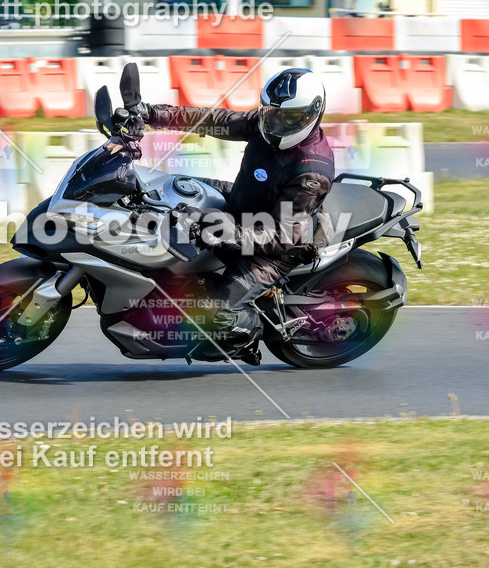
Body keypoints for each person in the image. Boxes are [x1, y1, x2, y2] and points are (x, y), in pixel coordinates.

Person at [115, 68, 334, 365]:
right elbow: (213, 120)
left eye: (286, 117)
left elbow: (282, 236)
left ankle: (247, 332)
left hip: (274, 250)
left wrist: (221, 230)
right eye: (270, 113)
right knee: (170, 187)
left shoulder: (311, 172)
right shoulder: (268, 123)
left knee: (211, 312)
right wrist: (151, 114)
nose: (274, 122)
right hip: (243, 203)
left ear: (310, 115)